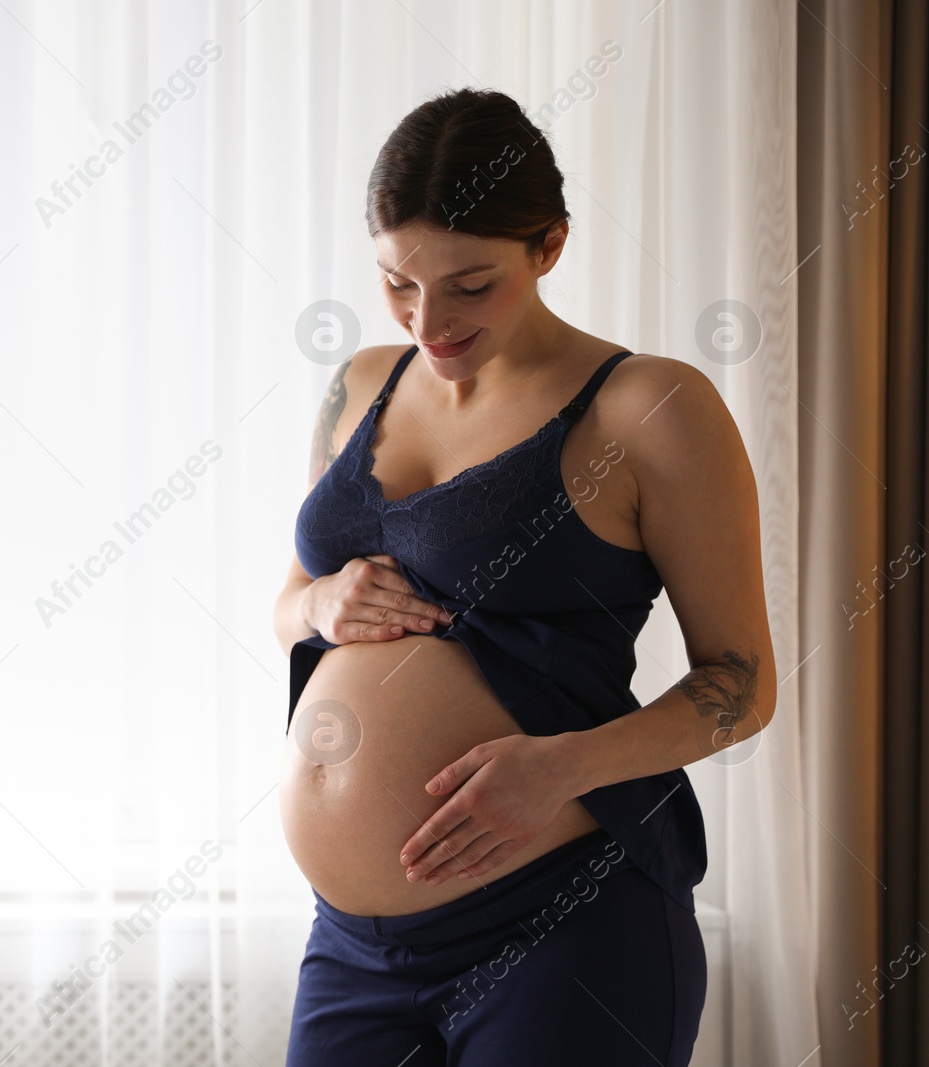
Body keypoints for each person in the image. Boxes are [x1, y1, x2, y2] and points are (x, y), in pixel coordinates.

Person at [273, 86, 776, 1065]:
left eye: (470, 284)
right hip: (350, 942)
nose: (430, 319)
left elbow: (741, 682)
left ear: (548, 244)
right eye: (397, 282)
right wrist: (320, 601)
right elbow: (288, 604)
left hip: (561, 924)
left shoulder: (646, 408)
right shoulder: (360, 384)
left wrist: (566, 764)